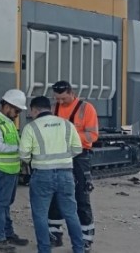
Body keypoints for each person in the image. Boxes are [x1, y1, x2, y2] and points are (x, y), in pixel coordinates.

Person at [19, 96, 85, 253]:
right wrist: (63, 158)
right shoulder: (67, 125)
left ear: (35, 109)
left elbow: (23, 154)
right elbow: (77, 149)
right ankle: (79, 249)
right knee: (71, 214)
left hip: (42, 176)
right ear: (49, 108)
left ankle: (44, 249)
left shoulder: (31, 127)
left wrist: (33, 159)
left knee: (40, 215)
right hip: (66, 175)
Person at [48, 80, 98, 252]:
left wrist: (69, 136)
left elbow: (92, 135)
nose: (60, 103)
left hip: (79, 157)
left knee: (81, 196)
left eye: (63, 99)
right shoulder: (54, 109)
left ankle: (86, 239)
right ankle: (54, 234)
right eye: (57, 99)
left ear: (71, 92)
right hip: (58, 155)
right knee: (55, 194)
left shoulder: (86, 109)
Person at [0, 89, 30, 252]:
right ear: (6, 105)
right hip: (1, 169)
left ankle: (7, 233)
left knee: (6, 204)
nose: (17, 113)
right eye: (16, 110)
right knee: (1, 204)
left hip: (10, 170)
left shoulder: (7, 121)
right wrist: (20, 149)